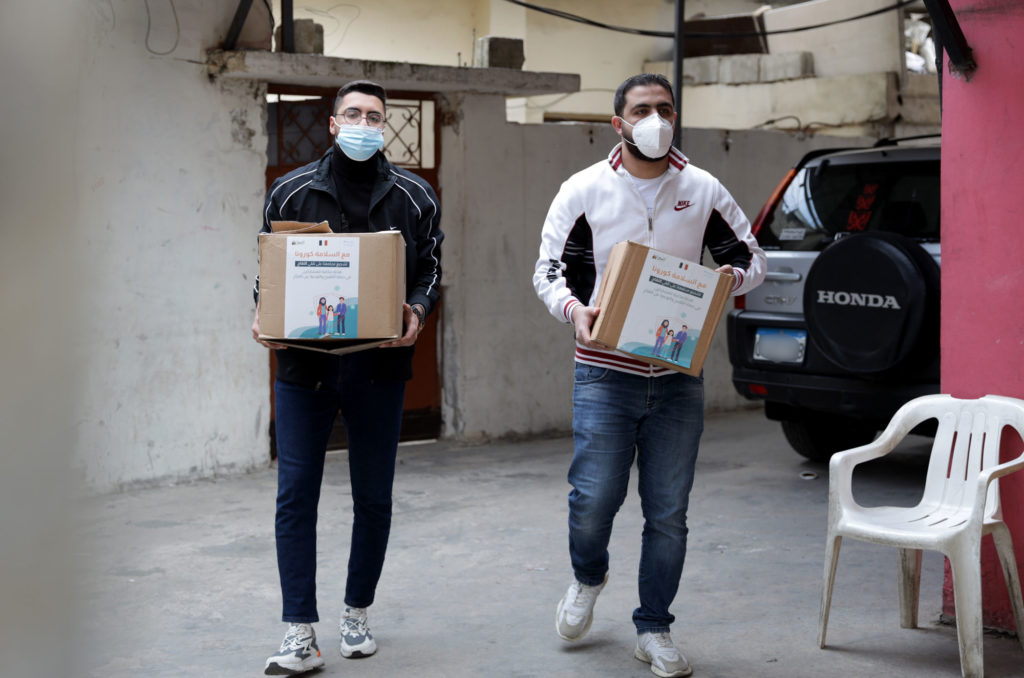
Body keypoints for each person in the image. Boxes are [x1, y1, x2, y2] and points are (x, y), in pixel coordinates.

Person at [533, 73, 765, 678]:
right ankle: (588, 575)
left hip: (677, 378)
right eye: (642, 110)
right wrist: (572, 309)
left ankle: (653, 628)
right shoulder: (583, 190)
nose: (654, 118)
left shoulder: (702, 188)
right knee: (593, 501)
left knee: (668, 511)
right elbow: (547, 271)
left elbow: (751, 258)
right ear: (619, 123)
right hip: (604, 376)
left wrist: (720, 286)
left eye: (664, 108)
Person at [252, 79, 443, 676]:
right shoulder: (289, 191)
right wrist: (262, 312)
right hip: (305, 366)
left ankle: (356, 611)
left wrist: (415, 310)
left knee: (373, 497)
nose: (364, 122)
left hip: (379, 365)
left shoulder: (414, 194)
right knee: (295, 495)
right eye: (353, 113)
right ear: (333, 124)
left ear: (384, 125)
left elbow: (432, 268)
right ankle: (298, 630)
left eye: (374, 115)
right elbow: (268, 269)